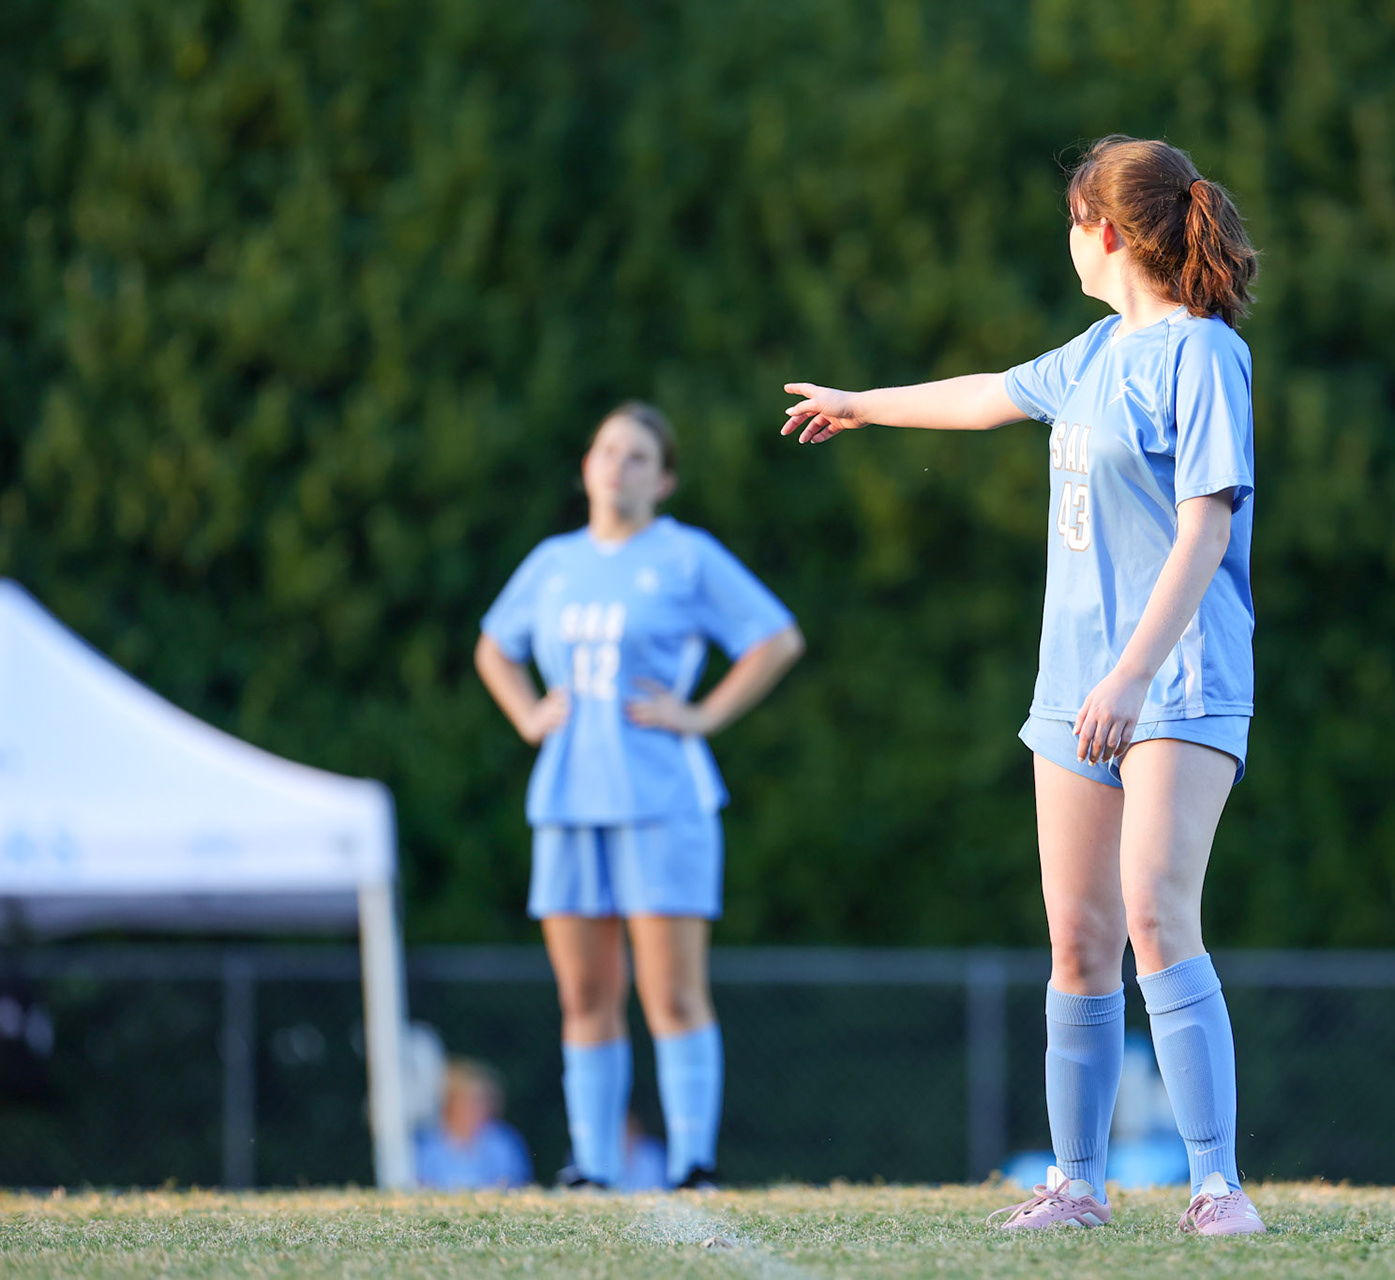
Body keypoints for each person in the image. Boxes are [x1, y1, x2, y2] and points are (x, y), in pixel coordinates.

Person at [781, 135, 1264, 1235]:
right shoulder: (1094, 354)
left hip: (1177, 681)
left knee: (1154, 910)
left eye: (1070, 218)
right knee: (1080, 937)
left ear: (1107, 228)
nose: (1066, 237)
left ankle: (1214, 1183)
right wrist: (863, 402)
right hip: (1074, 691)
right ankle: (1077, 1184)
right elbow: (988, 394)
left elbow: (1207, 522)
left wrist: (1135, 672)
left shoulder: (1202, 354)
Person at [476, 402, 805, 1190]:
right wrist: (528, 715)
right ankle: (591, 1165)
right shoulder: (554, 562)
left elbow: (775, 639)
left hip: (663, 799)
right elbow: (495, 646)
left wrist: (701, 715)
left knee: (672, 992)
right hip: (566, 799)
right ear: (586, 466)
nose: (617, 466)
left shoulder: (686, 556)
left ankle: (693, 1161)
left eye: (636, 457)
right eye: (606, 451)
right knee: (586, 995)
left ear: (663, 480)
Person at [413, 1058, 533, 1189]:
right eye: (468, 1100)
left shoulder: (502, 1142)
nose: (476, 1108)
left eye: (482, 1101)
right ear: (450, 1102)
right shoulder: (428, 1144)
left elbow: (517, 1185)